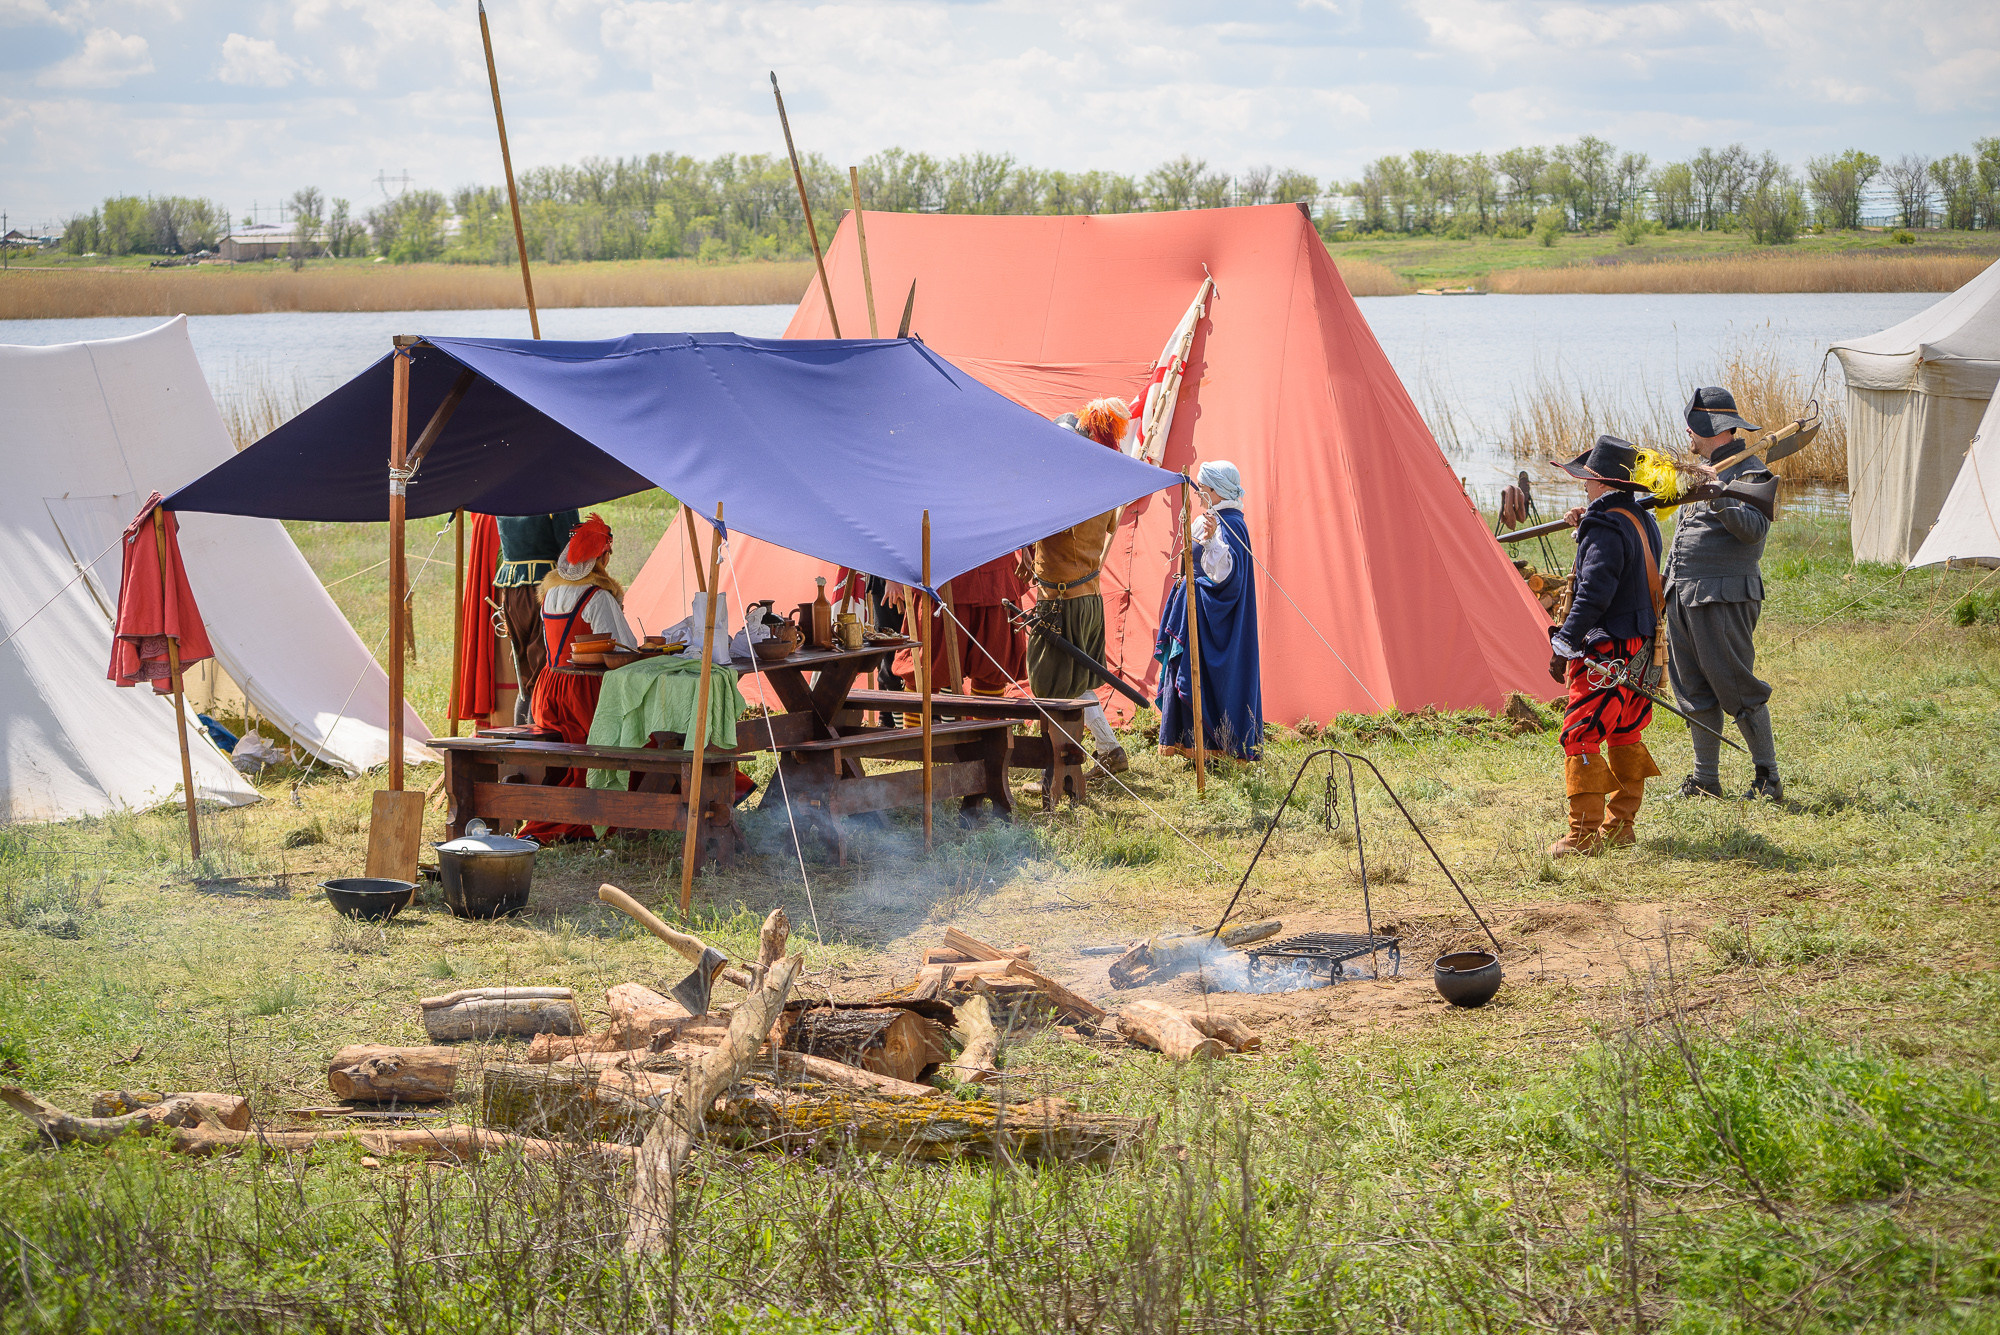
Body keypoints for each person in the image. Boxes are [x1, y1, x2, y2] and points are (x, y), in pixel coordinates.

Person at [1550, 436, 1664, 856]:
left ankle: (1583, 836)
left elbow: (1595, 593)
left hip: (1608, 649)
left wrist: (1564, 641)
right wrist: (1586, 527)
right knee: (1625, 731)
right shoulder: (1638, 519)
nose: (1582, 485)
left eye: (1587, 480)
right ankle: (1621, 826)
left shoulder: (1605, 524)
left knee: (1580, 733)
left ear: (1599, 481)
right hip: (1642, 645)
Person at [1667, 387, 1782, 802]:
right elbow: (1682, 536)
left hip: (1724, 594)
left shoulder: (1750, 473)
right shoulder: (1702, 468)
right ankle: (1705, 780)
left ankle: (1768, 779)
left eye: (1695, 428)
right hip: (1683, 593)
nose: (1689, 435)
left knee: (1737, 688)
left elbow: (1753, 532)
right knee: (1692, 692)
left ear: (1716, 430)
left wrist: (1720, 499)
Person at [1023, 399, 1129, 789]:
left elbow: (1033, 518)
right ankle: (1109, 749)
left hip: (1060, 603)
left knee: (1050, 687)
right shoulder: (1099, 490)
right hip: (1086, 599)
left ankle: (1056, 771)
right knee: (1078, 681)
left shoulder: (1061, 491)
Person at [521, 514, 635, 842]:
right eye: (607, 555)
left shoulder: (551, 594)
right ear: (601, 558)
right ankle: (601, 815)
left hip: (549, 690)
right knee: (642, 737)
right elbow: (624, 647)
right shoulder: (596, 597)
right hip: (584, 694)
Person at [1156, 460, 1262, 761]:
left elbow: (1226, 579)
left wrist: (1212, 542)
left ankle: (1219, 748)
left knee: (1208, 679)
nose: (1200, 494)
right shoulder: (1215, 519)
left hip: (1213, 622)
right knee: (1191, 673)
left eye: (1204, 490)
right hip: (1201, 617)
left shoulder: (1229, 524)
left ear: (1216, 491)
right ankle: (1193, 746)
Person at [494, 510, 580, 725]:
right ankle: (532, 747)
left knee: (526, 677)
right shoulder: (557, 489)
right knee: (543, 676)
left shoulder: (504, 489)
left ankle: (522, 746)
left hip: (511, 591)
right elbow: (571, 549)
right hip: (545, 589)